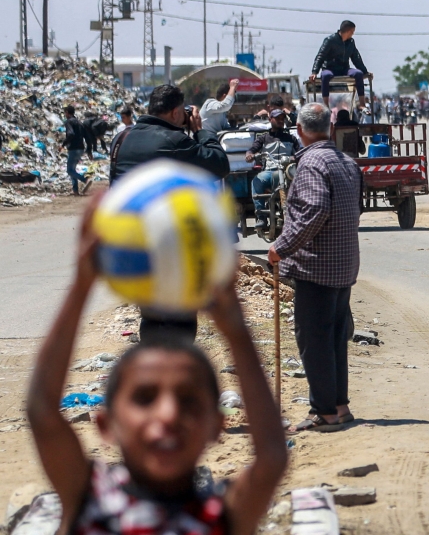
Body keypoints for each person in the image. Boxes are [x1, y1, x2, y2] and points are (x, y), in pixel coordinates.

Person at [27, 199, 288, 535]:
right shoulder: (90, 499)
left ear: (217, 426)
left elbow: (271, 459)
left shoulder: (220, 514)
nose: (168, 414)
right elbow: (43, 413)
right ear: (105, 424)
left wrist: (237, 332)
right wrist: (81, 285)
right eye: (145, 398)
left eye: (188, 400)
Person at [110, 84, 230, 343]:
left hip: (133, 245)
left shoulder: (122, 139)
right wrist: (200, 131)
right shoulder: (177, 141)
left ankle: (152, 370)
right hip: (170, 244)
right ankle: (177, 375)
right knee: (180, 320)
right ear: (176, 112)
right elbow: (219, 165)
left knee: (151, 316)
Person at [268, 103, 362, 433]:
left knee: (313, 338)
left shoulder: (310, 163)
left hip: (317, 267)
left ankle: (324, 412)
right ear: (330, 129)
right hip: (343, 264)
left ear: (299, 130)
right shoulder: (346, 162)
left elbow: (315, 210)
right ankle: (339, 405)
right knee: (334, 337)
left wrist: (280, 248)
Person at [246, 110, 301, 230]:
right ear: (270, 119)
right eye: (277, 118)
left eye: (282, 118)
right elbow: (252, 149)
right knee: (257, 181)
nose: (281, 120)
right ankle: (261, 216)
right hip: (270, 172)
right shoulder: (263, 138)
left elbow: (300, 153)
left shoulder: (291, 138)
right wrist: (250, 154)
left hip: (288, 172)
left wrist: (294, 157)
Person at [309, 20, 372, 108]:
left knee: (358, 74)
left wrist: (365, 72)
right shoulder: (330, 40)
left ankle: (362, 104)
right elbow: (320, 56)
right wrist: (314, 72)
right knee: (325, 75)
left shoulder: (351, 42)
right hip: (330, 68)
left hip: (344, 69)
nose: (353, 34)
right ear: (348, 31)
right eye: (352, 32)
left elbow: (356, 58)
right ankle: (326, 105)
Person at [62, 106, 91, 195]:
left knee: (69, 171)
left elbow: (70, 134)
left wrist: (63, 144)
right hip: (81, 148)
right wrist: (89, 150)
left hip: (73, 149)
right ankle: (75, 191)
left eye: (65, 113)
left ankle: (85, 180)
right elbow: (87, 137)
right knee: (73, 170)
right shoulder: (79, 122)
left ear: (67, 112)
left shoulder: (69, 122)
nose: (65, 115)